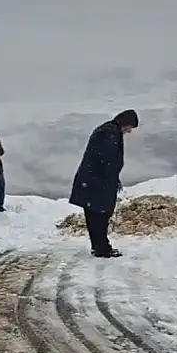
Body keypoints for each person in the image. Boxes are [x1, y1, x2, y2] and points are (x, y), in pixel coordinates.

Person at [69, 109, 139, 258]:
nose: (129, 131)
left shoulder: (108, 130)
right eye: (130, 127)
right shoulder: (110, 133)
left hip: (92, 181)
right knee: (100, 215)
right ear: (124, 122)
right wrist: (112, 178)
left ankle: (98, 247)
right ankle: (102, 249)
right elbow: (107, 159)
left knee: (95, 214)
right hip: (97, 183)